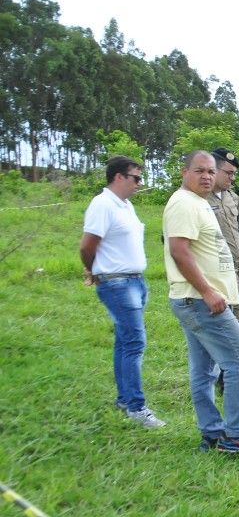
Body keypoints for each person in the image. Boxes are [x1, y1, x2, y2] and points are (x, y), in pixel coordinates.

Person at [164, 151, 239, 454]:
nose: (207, 176)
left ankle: (212, 433)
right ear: (184, 172)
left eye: (211, 171)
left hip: (198, 298)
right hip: (200, 299)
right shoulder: (184, 203)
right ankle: (236, 436)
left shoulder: (201, 202)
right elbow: (179, 251)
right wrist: (209, 291)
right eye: (200, 171)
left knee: (204, 370)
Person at [79, 156, 166, 429]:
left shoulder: (125, 206)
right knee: (134, 342)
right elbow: (87, 245)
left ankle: (124, 400)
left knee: (124, 341)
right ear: (118, 177)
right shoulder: (102, 204)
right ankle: (136, 407)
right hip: (117, 283)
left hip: (135, 281)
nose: (139, 184)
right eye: (136, 178)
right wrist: (93, 271)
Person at [207, 148, 239, 331]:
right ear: (214, 170)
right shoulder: (198, 198)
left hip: (235, 271)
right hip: (212, 275)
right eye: (229, 173)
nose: (233, 178)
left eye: (235, 174)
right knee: (217, 326)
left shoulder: (232, 197)